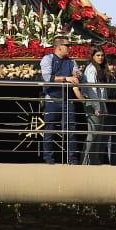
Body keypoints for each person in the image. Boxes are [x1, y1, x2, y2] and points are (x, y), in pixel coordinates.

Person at [39, 35, 80, 164]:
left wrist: (78, 75)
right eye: (67, 46)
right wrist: (66, 79)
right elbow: (47, 78)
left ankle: (72, 160)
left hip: (68, 100)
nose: (69, 48)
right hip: (52, 99)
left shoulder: (71, 61)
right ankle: (49, 159)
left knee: (71, 131)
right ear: (59, 47)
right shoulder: (48, 59)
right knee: (49, 130)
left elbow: (77, 74)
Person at [80, 47, 111, 165]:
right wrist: (97, 107)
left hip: (100, 103)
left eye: (102, 55)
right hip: (93, 103)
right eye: (98, 55)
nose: (101, 58)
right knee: (92, 133)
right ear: (92, 56)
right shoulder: (91, 69)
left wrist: (103, 106)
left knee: (98, 134)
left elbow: (102, 91)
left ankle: (94, 160)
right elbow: (92, 89)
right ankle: (84, 161)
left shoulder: (101, 69)